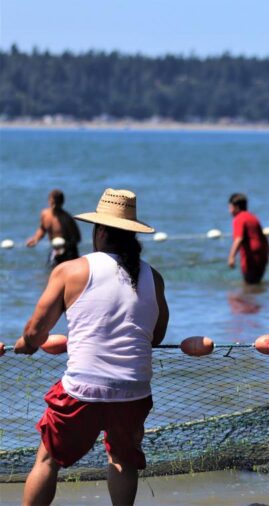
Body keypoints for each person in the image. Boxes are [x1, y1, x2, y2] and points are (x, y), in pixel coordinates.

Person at [14, 188, 169, 506]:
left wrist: (25, 345)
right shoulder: (154, 277)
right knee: (123, 459)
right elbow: (155, 336)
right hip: (134, 391)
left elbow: (35, 331)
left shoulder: (70, 270)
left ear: (99, 231)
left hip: (82, 390)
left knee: (47, 461)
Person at [26, 189, 82, 266]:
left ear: (62, 203)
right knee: (49, 272)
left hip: (69, 252)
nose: (54, 206)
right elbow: (42, 229)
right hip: (54, 249)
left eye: (57, 203)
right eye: (53, 202)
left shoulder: (67, 218)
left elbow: (77, 238)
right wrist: (35, 239)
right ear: (49, 201)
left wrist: (65, 246)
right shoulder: (45, 214)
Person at [227, 193, 269, 284]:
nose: (229, 211)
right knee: (256, 283)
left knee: (249, 284)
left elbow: (238, 239)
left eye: (230, 207)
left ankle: (248, 298)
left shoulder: (239, 218)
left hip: (251, 256)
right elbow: (262, 235)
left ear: (236, 207)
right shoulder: (252, 217)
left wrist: (231, 257)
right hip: (262, 254)